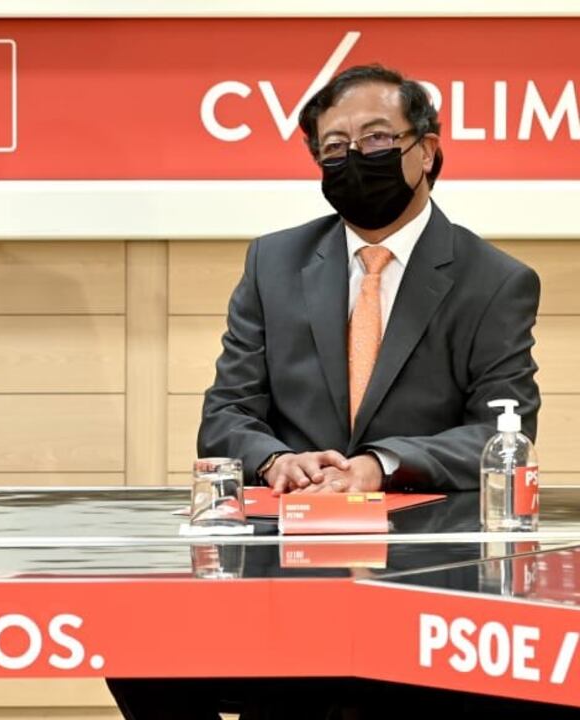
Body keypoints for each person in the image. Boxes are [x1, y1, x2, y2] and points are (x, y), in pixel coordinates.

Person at [108, 64, 547, 720]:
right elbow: (227, 413)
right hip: (285, 566)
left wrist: (378, 464)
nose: (353, 158)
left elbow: (499, 432)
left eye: (375, 140)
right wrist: (275, 460)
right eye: (333, 147)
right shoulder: (274, 263)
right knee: (135, 647)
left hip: (428, 578)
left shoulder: (494, 280)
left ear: (425, 150)